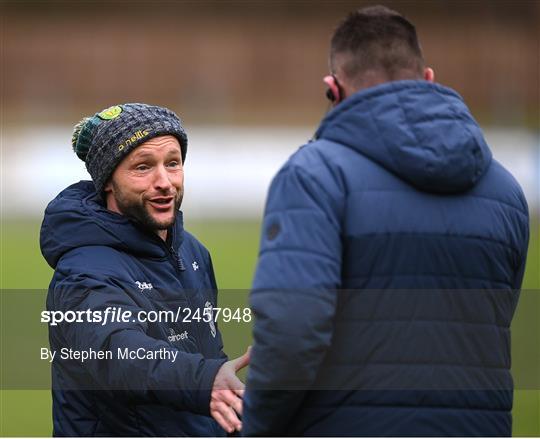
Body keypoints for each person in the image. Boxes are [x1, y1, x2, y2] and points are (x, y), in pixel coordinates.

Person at [243, 6, 529, 437]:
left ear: (332, 89)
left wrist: (257, 425)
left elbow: (292, 332)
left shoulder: (313, 175)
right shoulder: (506, 190)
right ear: (428, 79)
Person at [40, 103, 247, 436]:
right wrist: (204, 380)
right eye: (143, 167)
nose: (164, 181)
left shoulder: (193, 252)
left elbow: (206, 354)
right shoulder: (83, 273)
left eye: (173, 163)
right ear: (108, 181)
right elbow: (119, 355)